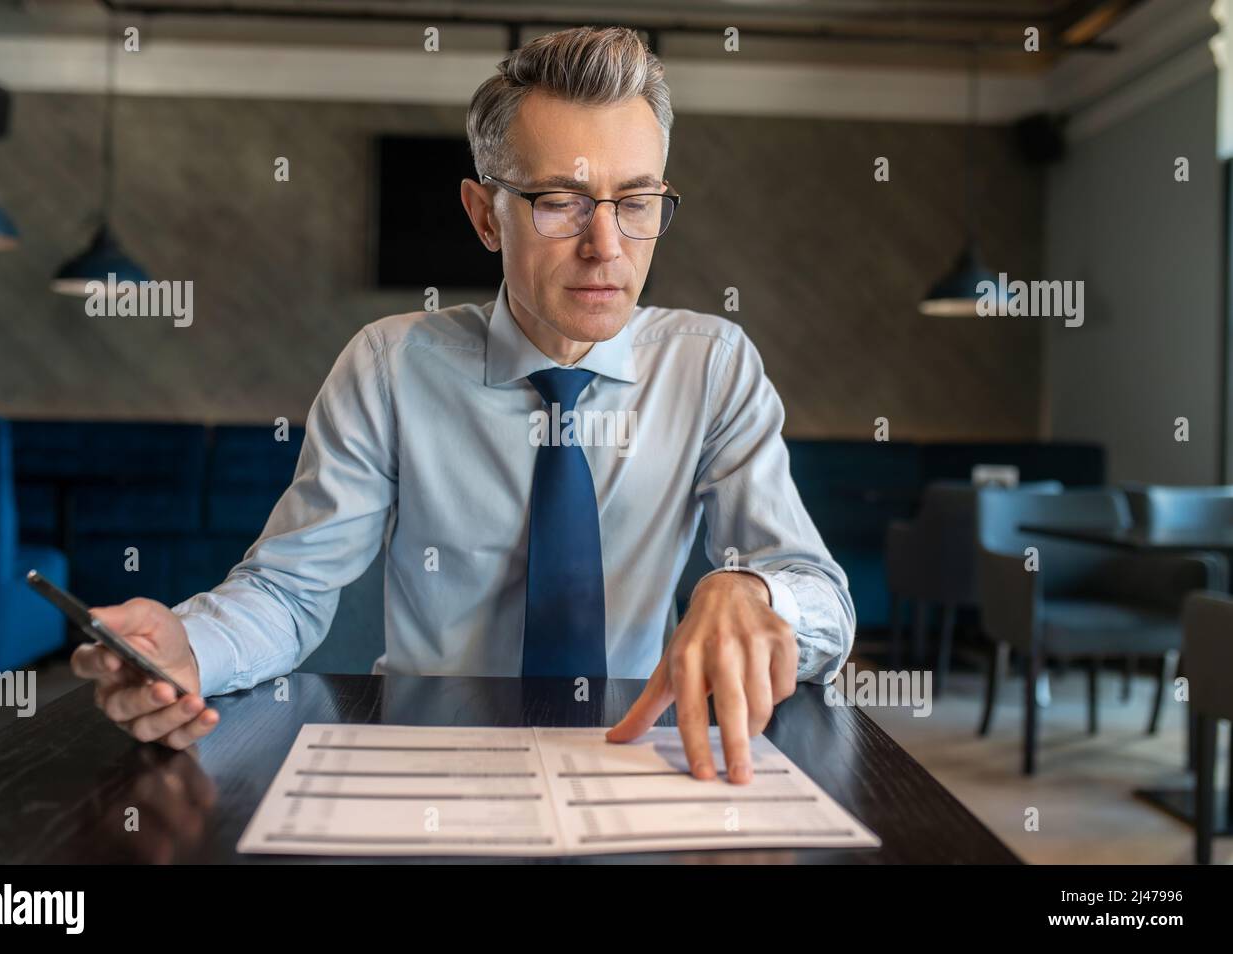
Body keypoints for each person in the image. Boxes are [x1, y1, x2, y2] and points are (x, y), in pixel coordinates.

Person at [71, 25, 855, 785]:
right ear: (485, 214)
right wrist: (189, 647)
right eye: (561, 201)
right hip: (424, 765)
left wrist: (755, 589)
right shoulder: (390, 366)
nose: (607, 246)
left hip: (631, 760)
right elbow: (288, 594)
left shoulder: (712, 366)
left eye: (637, 201)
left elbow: (822, 602)